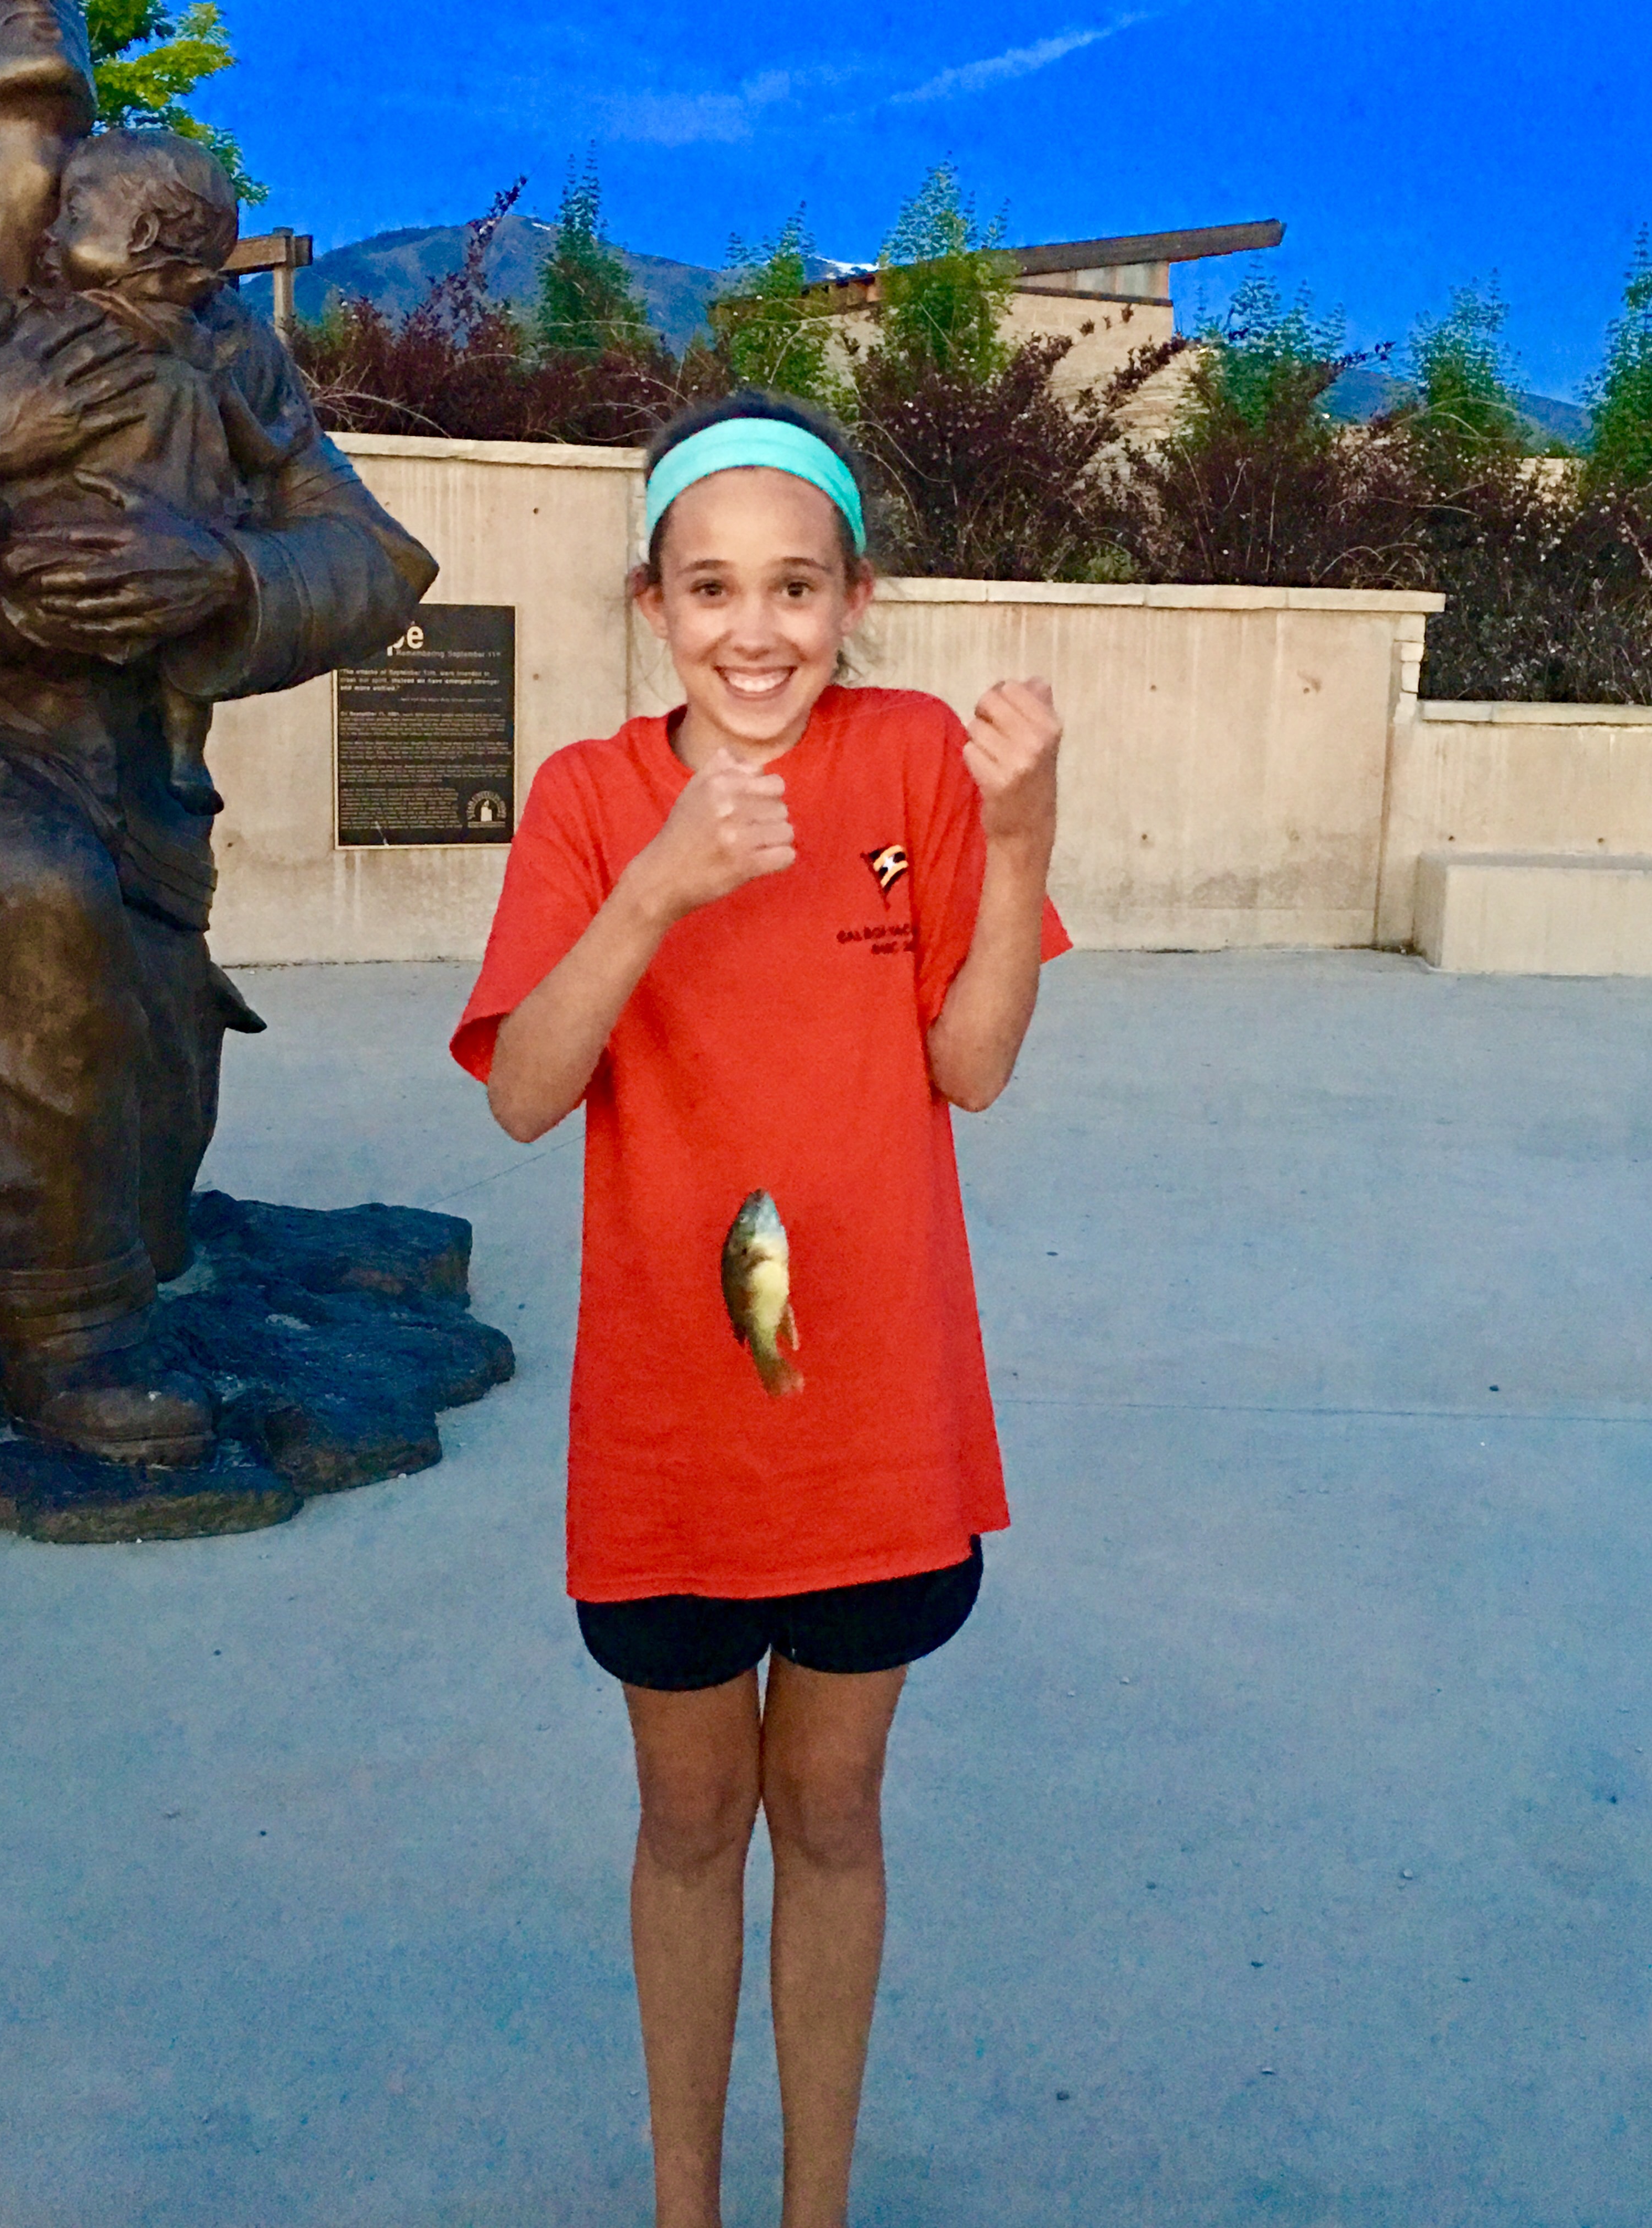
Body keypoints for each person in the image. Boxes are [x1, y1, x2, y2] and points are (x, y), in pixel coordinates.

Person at [451, 390, 1068, 2227]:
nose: (755, 630)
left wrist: (1022, 839)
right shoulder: (589, 798)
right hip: (671, 1438)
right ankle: (686, 2207)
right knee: (689, 1820)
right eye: (709, 587)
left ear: (854, 597)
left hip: (876, 1427)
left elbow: (971, 1066)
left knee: (834, 1814)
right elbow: (526, 1089)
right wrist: (658, 886)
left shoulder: (915, 762)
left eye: (796, 585)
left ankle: (815, 2208)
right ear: (652, 605)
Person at [0, 6, 437, 1463]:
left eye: (50, 132)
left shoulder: (205, 328)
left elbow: (372, 557)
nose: (25, 180)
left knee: (151, 1186)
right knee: (38, 898)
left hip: (133, 792)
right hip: (10, 790)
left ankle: (105, 1266)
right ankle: (66, 1340)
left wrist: (227, 578)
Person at [0, 125, 313, 814]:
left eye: (73, 212)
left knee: (179, 631)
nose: (50, 230)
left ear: (137, 235)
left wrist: (230, 561)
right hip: (85, 528)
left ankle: (183, 755)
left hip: (168, 525)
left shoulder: (211, 332)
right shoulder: (49, 324)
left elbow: (258, 444)